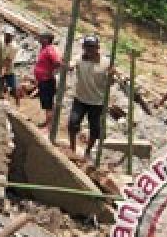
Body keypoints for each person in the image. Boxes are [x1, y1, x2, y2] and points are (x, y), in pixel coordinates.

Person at [68, 35, 113, 163]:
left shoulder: (106, 63)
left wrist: (111, 76)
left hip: (97, 102)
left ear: (97, 48)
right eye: (86, 47)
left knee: (95, 129)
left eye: (91, 47)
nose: (88, 50)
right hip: (80, 99)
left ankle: (88, 151)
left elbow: (111, 83)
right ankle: (72, 148)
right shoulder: (80, 58)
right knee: (73, 123)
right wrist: (67, 66)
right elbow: (71, 65)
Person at [34, 31, 62, 130]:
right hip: (43, 80)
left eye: (42, 37)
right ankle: (48, 122)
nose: (40, 39)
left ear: (47, 39)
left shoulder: (50, 49)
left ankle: (50, 126)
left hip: (47, 81)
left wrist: (50, 72)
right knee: (46, 104)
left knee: (48, 103)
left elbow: (57, 62)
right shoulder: (44, 49)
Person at [0, 27, 21, 105]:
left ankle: (17, 101)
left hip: (8, 68)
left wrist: (3, 71)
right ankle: (0, 100)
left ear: (12, 36)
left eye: (10, 35)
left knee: (13, 87)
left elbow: (8, 60)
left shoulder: (14, 47)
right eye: (7, 35)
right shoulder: (1, 39)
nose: (8, 37)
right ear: (5, 34)